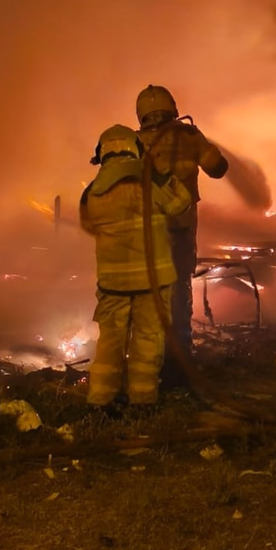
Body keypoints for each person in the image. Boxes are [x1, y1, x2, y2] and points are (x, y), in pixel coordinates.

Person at [79, 124, 192, 408]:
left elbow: (88, 224)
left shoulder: (93, 193)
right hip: (153, 285)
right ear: (136, 148)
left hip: (113, 286)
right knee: (148, 341)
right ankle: (142, 403)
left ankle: (100, 403)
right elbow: (182, 204)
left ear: (102, 154)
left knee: (110, 345)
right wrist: (164, 173)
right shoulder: (150, 183)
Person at [134, 85, 228, 387]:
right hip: (182, 228)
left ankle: (149, 362)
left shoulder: (133, 143)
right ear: (172, 107)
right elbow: (218, 168)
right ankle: (181, 363)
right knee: (179, 292)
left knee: (149, 295)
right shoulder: (189, 137)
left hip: (145, 234)